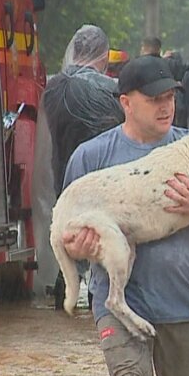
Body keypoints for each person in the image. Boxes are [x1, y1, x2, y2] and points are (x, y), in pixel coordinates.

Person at [61, 55, 189, 376]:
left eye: (171, 97)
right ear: (125, 103)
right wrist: (76, 248)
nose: (166, 107)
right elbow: (65, 234)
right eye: (154, 99)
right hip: (120, 306)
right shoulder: (92, 157)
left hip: (187, 303)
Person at [42, 24, 126, 309]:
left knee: (70, 237)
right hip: (101, 180)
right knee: (99, 241)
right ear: (103, 56)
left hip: (63, 174)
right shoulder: (111, 90)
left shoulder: (53, 87)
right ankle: (97, 303)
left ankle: (62, 296)